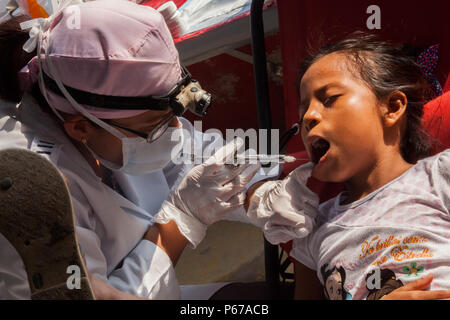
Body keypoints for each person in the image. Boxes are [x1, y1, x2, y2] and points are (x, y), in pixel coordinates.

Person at [0, 0, 308, 300]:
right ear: (81, 127)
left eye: (173, 117)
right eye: (155, 124)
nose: (175, 132)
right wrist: (178, 221)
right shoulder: (27, 187)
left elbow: (199, 156)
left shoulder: (116, 123)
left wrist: (261, 190)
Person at [246, 32, 450, 300]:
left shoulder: (439, 177)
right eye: (303, 111)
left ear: (392, 107)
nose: (308, 117)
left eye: (329, 99)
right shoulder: (311, 229)